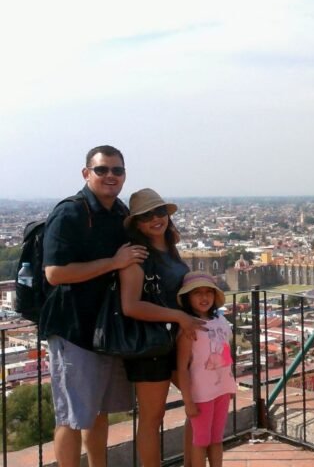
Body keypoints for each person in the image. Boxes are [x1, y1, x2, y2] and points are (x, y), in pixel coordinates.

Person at [41, 145, 149, 467]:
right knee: (72, 417)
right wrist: (112, 262)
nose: (110, 176)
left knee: (97, 411)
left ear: (124, 175)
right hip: (72, 328)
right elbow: (55, 273)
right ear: (86, 173)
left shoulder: (118, 213)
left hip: (104, 328)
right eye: (102, 170)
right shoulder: (70, 213)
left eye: (117, 170)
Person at [119, 188, 207, 467]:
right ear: (136, 224)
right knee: (152, 417)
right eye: (146, 216)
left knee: (199, 406)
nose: (155, 219)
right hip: (150, 344)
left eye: (160, 212)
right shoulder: (137, 256)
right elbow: (130, 306)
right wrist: (179, 317)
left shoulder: (170, 249)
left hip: (178, 340)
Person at [176, 272, 237, 467]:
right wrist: (188, 401)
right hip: (201, 394)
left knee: (217, 439)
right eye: (197, 293)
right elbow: (182, 367)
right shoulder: (189, 327)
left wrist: (230, 385)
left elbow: (226, 354)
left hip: (221, 389)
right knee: (201, 441)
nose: (204, 298)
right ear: (188, 298)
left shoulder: (220, 321)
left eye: (208, 292)